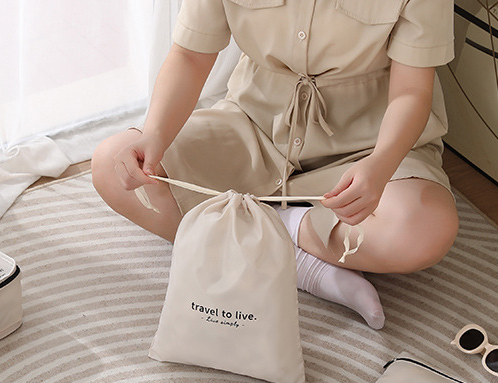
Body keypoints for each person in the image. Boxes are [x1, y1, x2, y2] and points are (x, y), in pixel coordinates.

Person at [92, 1, 459, 330]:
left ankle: (249, 231)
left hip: (369, 146)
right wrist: (155, 134)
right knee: (113, 164)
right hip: (253, 124)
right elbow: (190, 56)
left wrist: (380, 165)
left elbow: (411, 91)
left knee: (425, 228)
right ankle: (304, 264)